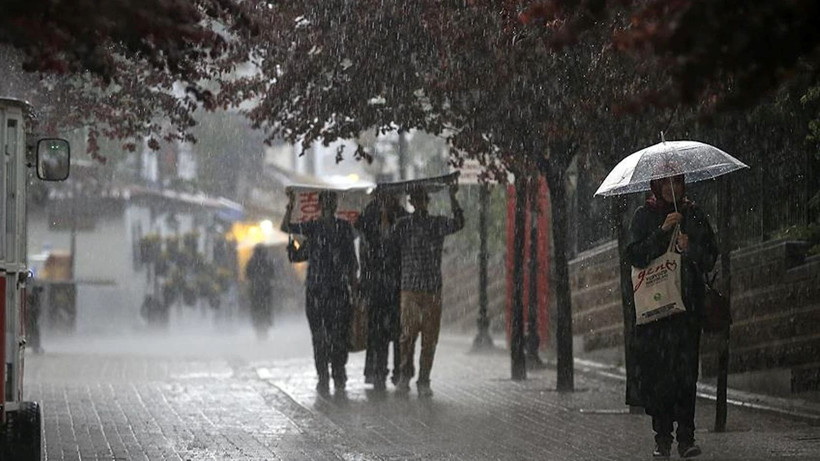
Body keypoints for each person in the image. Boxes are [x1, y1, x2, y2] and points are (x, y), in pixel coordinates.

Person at [625, 174, 718, 459]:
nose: (670, 188)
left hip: (686, 310)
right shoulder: (644, 216)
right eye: (664, 183)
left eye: (675, 182)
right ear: (656, 187)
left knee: (686, 375)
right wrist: (662, 232)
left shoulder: (692, 214)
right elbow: (635, 255)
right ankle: (662, 437)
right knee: (660, 376)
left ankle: (686, 437)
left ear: (682, 184)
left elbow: (711, 256)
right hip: (656, 313)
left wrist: (691, 248)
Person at [281, 190, 358, 394]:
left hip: (338, 290)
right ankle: (323, 376)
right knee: (320, 337)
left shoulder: (343, 228)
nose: (329, 206)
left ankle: (338, 374)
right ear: (321, 205)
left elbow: (351, 261)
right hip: (316, 291)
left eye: (331, 202)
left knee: (339, 336)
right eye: (326, 202)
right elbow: (286, 227)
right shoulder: (313, 228)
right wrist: (290, 205)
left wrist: (354, 286)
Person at [391, 183, 464, 397]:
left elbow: (459, 223)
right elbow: (388, 245)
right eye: (416, 199)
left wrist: (453, 198)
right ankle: (405, 374)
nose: (419, 203)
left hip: (431, 288)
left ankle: (424, 379)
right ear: (412, 202)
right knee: (407, 335)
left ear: (426, 201)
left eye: (422, 199)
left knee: (429, 338)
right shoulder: (403, 225)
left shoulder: (436, 223)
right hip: (410, 288)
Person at [356, 192, 408, 391]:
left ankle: (398, 371)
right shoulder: (369, 215)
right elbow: (365, 246)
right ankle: (378, 371)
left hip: (395, 284)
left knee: (397, 331)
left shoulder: (401, 216)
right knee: (377, 331)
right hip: (376, 284)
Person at [245, 244, 275, 339]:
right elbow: (272, 274)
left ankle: (258, 328)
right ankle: (265, 327)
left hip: (255, 290)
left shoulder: (251, 261)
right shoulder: (268, 261)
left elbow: (247, 275)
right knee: (266, 309)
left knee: (256, 310)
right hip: (266, 290)